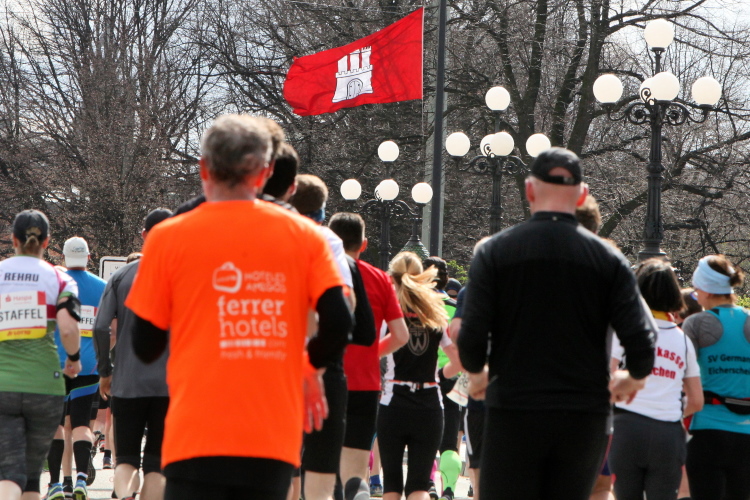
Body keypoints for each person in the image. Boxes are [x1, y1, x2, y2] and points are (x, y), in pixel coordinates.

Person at [125, 114, 352, 500]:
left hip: (194, 434)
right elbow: (339, 321)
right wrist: (307, 366)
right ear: (265, 173)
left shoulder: (166, 238)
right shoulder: (305, 236)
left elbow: (145, 345)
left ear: (203, 168)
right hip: (271, 436)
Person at [457, 147, 658, 499]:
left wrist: (477, 373)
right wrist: (632, 377)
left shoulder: (495, 252)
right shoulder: (608, 259)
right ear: (582, 195)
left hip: (514, 407)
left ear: (529, 190)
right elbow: (641, 339)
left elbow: (471, 335)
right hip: (583, 413)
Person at [0, 210, 82, 500]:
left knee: (9, 473)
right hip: (45, 386)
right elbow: (68, 328)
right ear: (47, 242)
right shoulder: (59, 278)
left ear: (13, 240)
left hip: (3, 385)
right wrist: (73, 359)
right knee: (32, 475)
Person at [93, 208, 173, 500]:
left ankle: (126, 496)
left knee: (126, 458)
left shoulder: (121, 276)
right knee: (156, 461)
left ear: (144, 235)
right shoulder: (185, 275)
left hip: (127, 381)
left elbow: (101, 327)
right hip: (170, 384)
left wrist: (105, 370)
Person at [328, 212, 409, 496]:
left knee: (322, 463)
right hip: (365, 382)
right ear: (363, 244)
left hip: (326, 377)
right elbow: (401, 335)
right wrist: (371, 353)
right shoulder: (380, 279)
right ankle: (355, 489)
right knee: (355, 467)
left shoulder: (321, 272)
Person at [608, 259, 703, 500]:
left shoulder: (625, 332)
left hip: (626, 428)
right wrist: (667, 408)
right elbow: (696, 400)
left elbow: (606, 378)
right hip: (667, 433)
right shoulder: (683, 340)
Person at [378, 252, 462, 500]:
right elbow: (458, 361)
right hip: (428, 403)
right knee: (419, 485)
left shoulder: (389, 315)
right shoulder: (435, 314)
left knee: (391, 483)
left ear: (393, 278)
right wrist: (439, 376)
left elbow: (374, 353)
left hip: (394, 401)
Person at [290, 174, 353, 500]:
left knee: (282, 467)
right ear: (322, 209)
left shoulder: (271, 233)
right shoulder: (329, 242)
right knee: (321, 471)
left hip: (276, 361)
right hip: (322, 365)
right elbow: (345, 308)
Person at [682, 255, 750, 500]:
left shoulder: (695, 324)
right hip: (746, 433)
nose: (695, 296)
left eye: (696, 290)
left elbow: (682, 375)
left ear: (708, 290)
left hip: (706, 430)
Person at [45, 237, 106, 500]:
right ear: (89, 258)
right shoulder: (102, 286)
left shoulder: (55, 283)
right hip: (89, 365)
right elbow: (111, 329)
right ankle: (81, 479)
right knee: (82, 424)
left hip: (56, 363)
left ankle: (55, 484)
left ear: (63, 257)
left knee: (57, 424)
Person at [421, 256, 460, 500]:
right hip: (452, 378)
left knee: (423, 439)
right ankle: (449, 489)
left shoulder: (416, 307)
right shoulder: (456, 309)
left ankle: (428, 484)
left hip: (423, 377)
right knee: (450, 442)